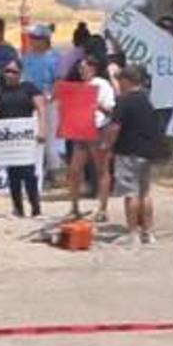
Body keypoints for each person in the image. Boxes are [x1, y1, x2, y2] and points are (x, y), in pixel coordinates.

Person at [105, 65, 162, 245]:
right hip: (146, 152)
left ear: (127, 81)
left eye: (120, 80)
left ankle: (132, 234)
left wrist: (108, 145)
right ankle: (148, 232)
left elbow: (115, 127)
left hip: (128, 151)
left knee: (131, 194)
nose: (119, 84)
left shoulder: (124, 100)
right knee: (145, 193)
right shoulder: (146, 100)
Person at [0, 60, 48, 217]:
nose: (9, 74)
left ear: (20, 73)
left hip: (26, 138)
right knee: (13, 174)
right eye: (7, 71)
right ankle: (18, 208)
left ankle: (36, 208)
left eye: (13, 71)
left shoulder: (29, 88)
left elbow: (41, 109)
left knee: (29, 174)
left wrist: (42, 129)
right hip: (8, 140)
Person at [67, 56, 115, 223]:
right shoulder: (79, 87)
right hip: (81, 130)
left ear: (93, 68)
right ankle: (74, 207)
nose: (81, 71)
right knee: (74, 169)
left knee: (101, 168)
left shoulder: (102, 85)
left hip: (98, 129)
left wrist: (97, 106)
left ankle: (102, 208)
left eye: (84, 68)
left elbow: (111, 110)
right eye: (80, 68)